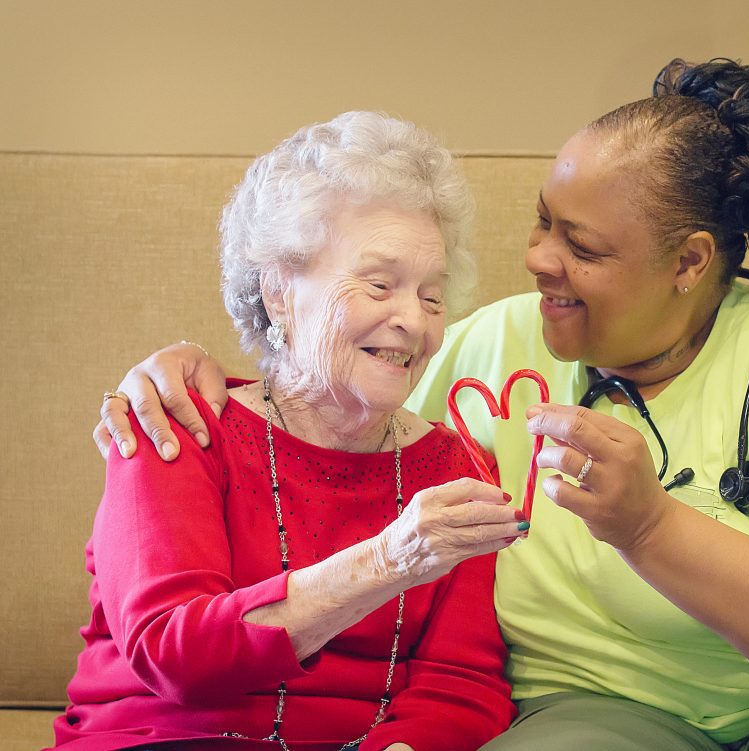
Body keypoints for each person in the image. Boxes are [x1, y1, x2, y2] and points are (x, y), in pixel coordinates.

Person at [94, 60, 749, 750]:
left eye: (579, 243)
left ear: (689, 262)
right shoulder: (492, 341)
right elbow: (326, 392)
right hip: (594, 714)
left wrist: (651, 527)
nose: (538, 258)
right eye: (543, 220)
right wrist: (183, 368)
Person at [55, 111, 526, 751]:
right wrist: (391, 560)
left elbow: (461, 684)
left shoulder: (456, 469)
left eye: (433, 296)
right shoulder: (183, 428)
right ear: (279, 291)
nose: (413, 320)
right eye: (379, 283)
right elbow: (174, 653)